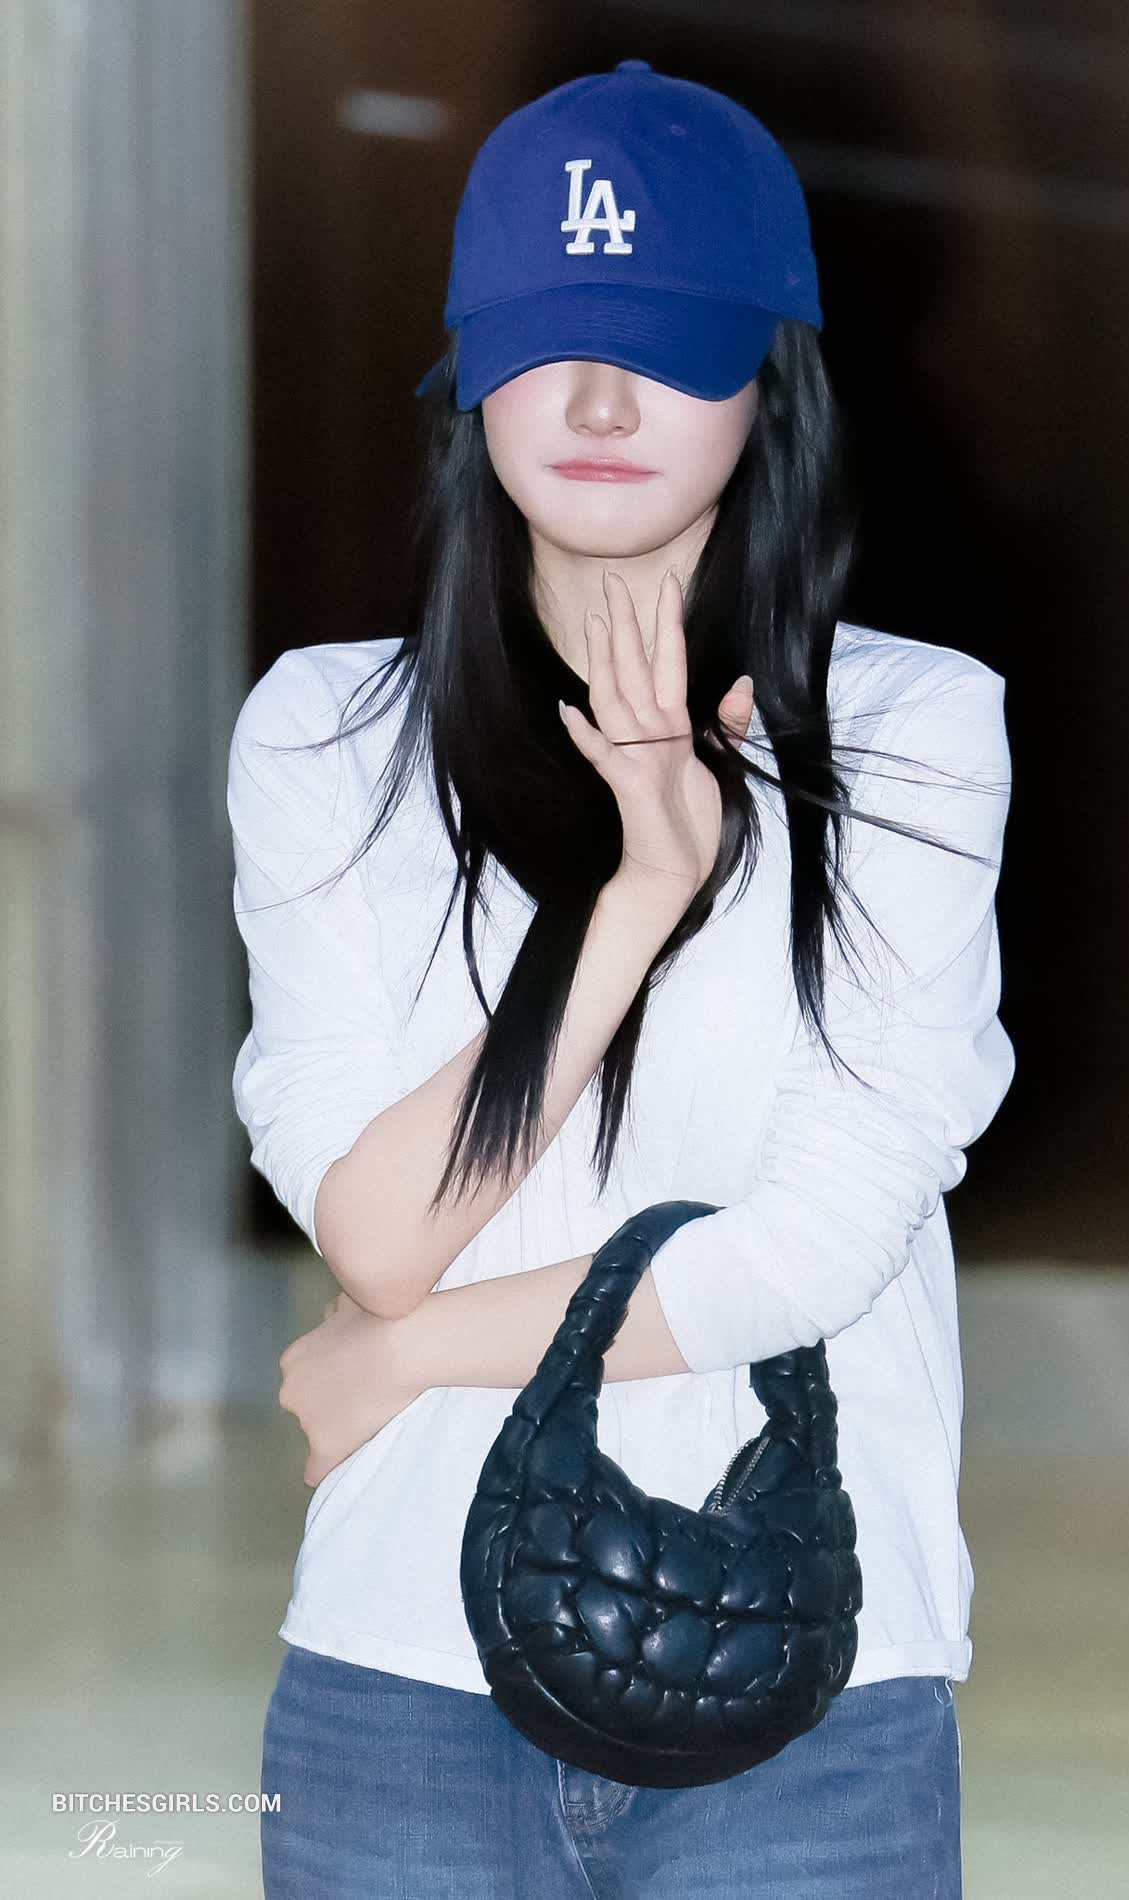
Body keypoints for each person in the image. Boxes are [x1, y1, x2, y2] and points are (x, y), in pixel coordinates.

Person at [228, 57, 1015, 1900]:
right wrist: (638, 890)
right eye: (547, 341)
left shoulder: (911, 734)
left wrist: (409, 1357)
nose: (596, 401)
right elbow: (380, 1235)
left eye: (660, 344)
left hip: (807, 1683)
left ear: (767, 377)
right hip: (398, 1679)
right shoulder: (326, 737)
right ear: (470, 373)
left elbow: (812, 1249)